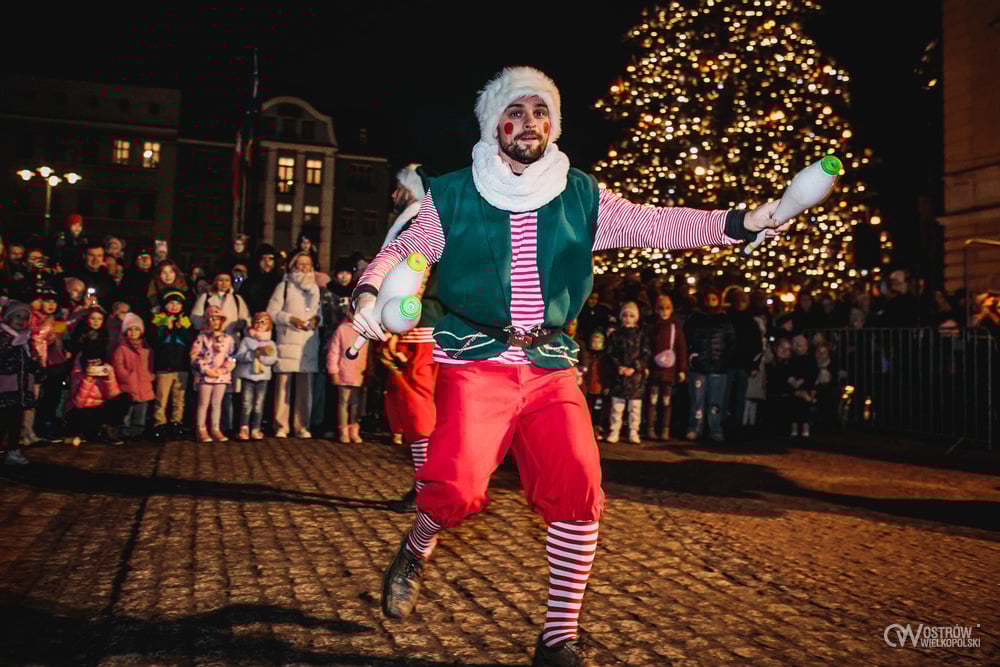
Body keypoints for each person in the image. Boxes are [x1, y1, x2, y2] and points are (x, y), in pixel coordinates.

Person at [348, 66, 786, 666]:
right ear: (494, 125)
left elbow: (658, 222)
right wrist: (369, 293)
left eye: (540, 112)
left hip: (551, 365)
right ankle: (416, 546)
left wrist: (739, 224)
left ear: (553, 124)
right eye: (516, 112)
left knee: (580, 485)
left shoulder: (581, 194)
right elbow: (403, 251)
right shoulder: (451, 195)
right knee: (455, 488)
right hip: (476, 362)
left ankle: (558, 638)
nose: (529, 122)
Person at [380, 163, 443, 510]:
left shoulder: (417, 219)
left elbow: (415, 273)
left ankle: (426, 486)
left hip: (418, 326)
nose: (393, 195)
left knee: (417, 406)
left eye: (398, 188)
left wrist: (396, 325)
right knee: (427, 407)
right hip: (433, 324)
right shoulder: (430, 218)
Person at [267, 251, 323, 438]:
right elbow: (272, 313)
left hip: (307, 342)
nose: (305, 268)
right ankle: (280, 425)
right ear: (293, 266)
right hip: (288, 339)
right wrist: (290, 319)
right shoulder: (284, 286)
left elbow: (319, 313)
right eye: (301, 264)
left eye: (308, 264)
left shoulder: (315, 288)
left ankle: (301, 426)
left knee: (305, 388)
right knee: (283, 385)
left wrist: (317, 320)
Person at [684, 287, 736, 442]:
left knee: (716, 402)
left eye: (714, 299)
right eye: (708, 299)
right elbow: (686, 338)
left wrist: (725, 361)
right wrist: (691, 357)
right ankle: (695, 428)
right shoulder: (695, 319)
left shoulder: (724, 320)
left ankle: (715, 429)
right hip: (698, 366)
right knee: (697, 401)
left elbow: (731, 342)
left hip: (718, 367)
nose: (711, 303)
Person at [603, 302, 651, 444]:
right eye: (625, 315)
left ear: (636, 318)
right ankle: (614, 430)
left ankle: (633, 431)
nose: (628, 318)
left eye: (631, 316)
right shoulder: (615, 335)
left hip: (636, 377)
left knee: (635, 407)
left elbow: (646, 354)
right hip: (620, 375)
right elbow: (610, 353)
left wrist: (635, 367)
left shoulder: (641, 335)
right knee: (617, 406)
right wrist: (619, 367)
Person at [151, 291, 194, 440]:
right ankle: (159, 424)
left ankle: (177, 423)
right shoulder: (159, 319)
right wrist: (167, 328)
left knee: (179, 399)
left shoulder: (185, 320)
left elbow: (190, 340)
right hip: (164, 366)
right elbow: (155, 341)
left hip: (181, 366)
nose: (174, 306)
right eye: (171, 303)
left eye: (177, 304)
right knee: (161, 398)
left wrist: (181, 328)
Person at [190, 305, 235, 443]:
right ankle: (201, 428)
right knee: (203, 403)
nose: (215, 322)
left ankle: (215, 428)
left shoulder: (228, 339)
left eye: (218, 319)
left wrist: (223, 370)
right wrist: (206, 369)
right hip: (205, 376)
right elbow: (194, 356)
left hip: (221, 376)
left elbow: (232, 356)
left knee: (217, 403)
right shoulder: (202, 338)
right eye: (212, 319)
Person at [0, 301, 38, 465]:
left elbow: (30, 361)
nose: (21, 321)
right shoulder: (3, 337)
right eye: (17, 316)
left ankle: (13, 451)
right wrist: (10, 347)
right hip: (5, 388)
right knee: (2, 421)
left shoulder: (26, 339)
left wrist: (36, 366)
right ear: (8, 317)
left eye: (25, 318)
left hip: (21, 388)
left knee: (16, 421)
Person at [646, 294, 688, 441]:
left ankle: (665, 429)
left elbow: (681, 348)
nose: (664, 311)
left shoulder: (675, 327)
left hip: (669, 370)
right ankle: (650, 428)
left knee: (666, 401)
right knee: (652, 400)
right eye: (661, 308)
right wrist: (646, 365)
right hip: (654, 368)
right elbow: (647, 347)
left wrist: (682, 369)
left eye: (667, 308)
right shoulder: (652, 326)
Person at [327, 306, 368, 443]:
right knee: (343, 402)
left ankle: (354, 430)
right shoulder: (342, 329)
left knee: (356, 403)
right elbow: (334, 352)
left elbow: (368, 353)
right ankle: (343, 430)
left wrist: (368, 370)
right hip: (343, 372)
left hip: (359, 372)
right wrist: (333, 371)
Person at [234, 312, 278, 441]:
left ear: (269, 326)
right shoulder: (247, 340)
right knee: (246, 403)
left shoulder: (270, 343)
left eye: (264, 322)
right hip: (248, 376)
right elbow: (239, 356)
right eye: (258, 321)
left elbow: (273, 359)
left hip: (262, 378)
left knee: (259, 404)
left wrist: (262, 357)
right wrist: (253, 354)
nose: (260, 324)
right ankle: (244, 428)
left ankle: (256, 428)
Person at [112, 313, 155, 439]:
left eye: (136, 329)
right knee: (127, 412)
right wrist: (127, 377)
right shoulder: (121, 348)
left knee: (140, 414)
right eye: (130, 329)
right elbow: (118, 366)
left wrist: (150, 376)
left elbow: (151, 364)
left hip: (144, 385)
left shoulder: (146, 348)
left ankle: (137, 432)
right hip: (128, 386)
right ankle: (124, 431)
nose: (133, 332)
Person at [240, 243, 282, 317]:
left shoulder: (281, 282)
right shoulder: (248, 283)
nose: (267, 262)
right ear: (258, 261)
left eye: (270, 258)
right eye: (263, 258)